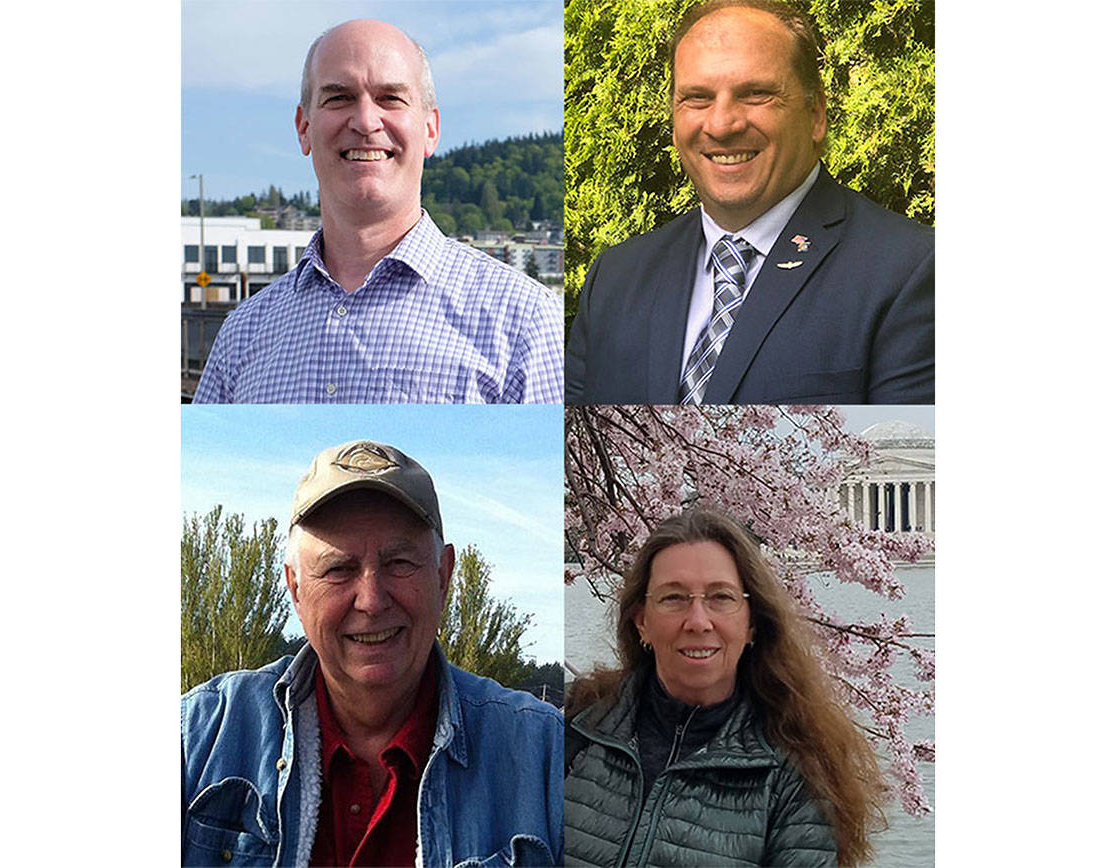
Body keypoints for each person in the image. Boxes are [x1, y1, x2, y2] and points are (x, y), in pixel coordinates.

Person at [182, 440, 563, 866]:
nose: (372, 599)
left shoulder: (546, 755)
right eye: (339, 569)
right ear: (295, 588)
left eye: (400, 562)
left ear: (443, 576)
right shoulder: (199, 737)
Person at [565, 0, 934, 405]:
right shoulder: (615, 279)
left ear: (816, 115)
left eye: (756, 94)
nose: (722, 124)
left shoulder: (910, 271)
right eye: (697, 98)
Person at [194, 20, 563, 404]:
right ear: (304, 128)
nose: (366, 122)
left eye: (390, 98)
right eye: (338, 98)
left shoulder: (526, 322)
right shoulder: (242, 334)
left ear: (430, 129)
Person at [564, 508, 883, 867]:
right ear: (642, 622)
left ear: (751, 624)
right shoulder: (577, 722)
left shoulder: (797, 775)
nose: (698, 621)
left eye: (721, 597)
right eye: (673, 598)